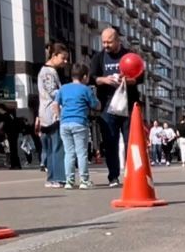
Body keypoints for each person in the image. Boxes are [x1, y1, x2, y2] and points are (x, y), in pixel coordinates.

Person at [89, 27, 141, 188]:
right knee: (110, 142)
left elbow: (140, 76)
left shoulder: (129, 55)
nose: (106, 45)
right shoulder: (98, 57)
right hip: (107, 107)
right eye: (103, 42)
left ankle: (132, 174)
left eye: (109, 42)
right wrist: (104, 80)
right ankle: (113, 176)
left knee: (131, 141)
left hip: (129, 105)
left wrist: (129, 80)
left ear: (118, 40)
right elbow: (91, 78)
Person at [56, 63, 101, 189]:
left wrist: (60, 117)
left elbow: (55, 104)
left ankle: (69, 181)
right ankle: (84, 181)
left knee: (69, 153)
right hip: (79, 122)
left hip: (64, 123)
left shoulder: (63, 88)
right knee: (81, 153)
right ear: (85, 77)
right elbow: (95, 105)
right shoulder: (85, 89)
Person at [37, 43, 67, 188]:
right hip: (53, 114)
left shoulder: (44, 71)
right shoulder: (49, 72)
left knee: (49, 148)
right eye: (63, 58)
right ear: (54, 56)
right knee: (57, 146)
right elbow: (52, 91)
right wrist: (67, 93)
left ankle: (51, 178)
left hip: (45, 114)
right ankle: (58, 177)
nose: (65, 61)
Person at [0, 104, 23, 169]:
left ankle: (13, 165)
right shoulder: (10, 114)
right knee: (14, 149)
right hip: (15, 133)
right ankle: (18, 165)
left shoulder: (4, 116)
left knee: (12, 150)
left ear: (1, 109)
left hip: (11, 134)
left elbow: (1, 125)